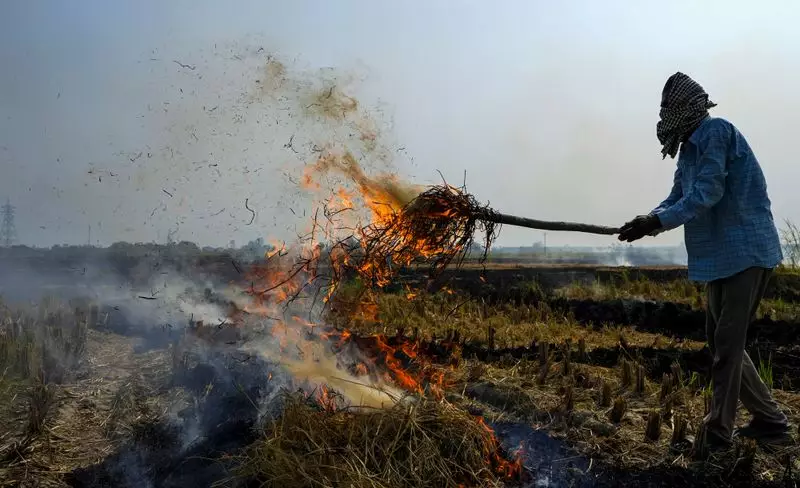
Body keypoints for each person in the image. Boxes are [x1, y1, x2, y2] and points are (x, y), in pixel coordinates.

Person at [618, 72, 790, 451]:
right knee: (721, 343)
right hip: (719, 256)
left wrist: (656, 221)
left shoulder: (716, 133)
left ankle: (716, 435)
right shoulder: (689, 150)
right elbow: (678, 194)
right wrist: (648, 220)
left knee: (727, 346)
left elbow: (707, 193)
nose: (665, 116)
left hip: (746, 251)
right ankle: (771, 420)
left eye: (670, 108)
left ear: (688, 108)